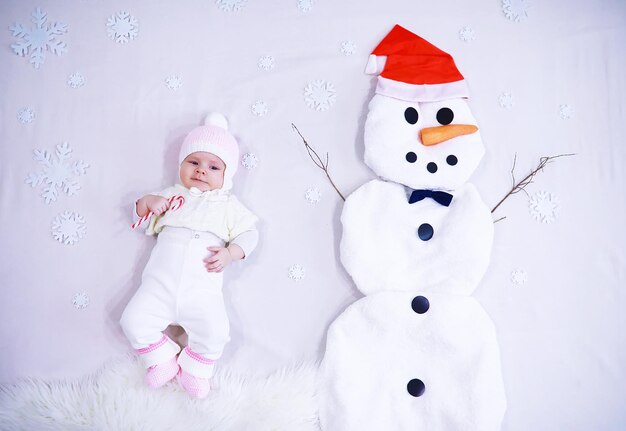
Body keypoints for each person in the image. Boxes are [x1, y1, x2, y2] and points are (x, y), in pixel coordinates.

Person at [120, 113, 259, 399]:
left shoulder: (228, 206)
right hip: (159, 287)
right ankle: (161, 359)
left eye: (213, 166)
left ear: (226, 175)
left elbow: (250, 234)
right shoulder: (171, 197)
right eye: (193, 162)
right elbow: (140, 217)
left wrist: (231, 253)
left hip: (202, 291)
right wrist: (147, 202)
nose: (201, 171)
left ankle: (196, 369)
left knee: (216, 332)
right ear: (181, 165)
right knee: (132, 321)